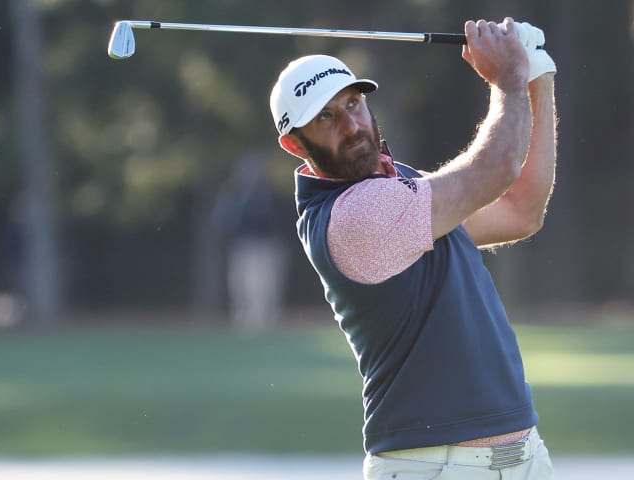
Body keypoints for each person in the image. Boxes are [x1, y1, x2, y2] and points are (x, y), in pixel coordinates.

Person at [269, 17, 557, 479]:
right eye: (326, 117)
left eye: (353, 103)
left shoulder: (400, 186)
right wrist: (508, 78)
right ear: (293, 143)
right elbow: (497, 167)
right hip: (434, 464)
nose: (351, 124)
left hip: (520, 454)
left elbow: (522, 210)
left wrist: (537, 78)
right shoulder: (353, 215)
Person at [212, 151, 288, 330]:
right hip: (242, 246)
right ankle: (245, 321)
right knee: (241, 285)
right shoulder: (233, 194)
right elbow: (223, 220)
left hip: (266, 245)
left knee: (266, 285)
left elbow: (279, 220)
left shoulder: (270, 192)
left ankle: (266, 321)